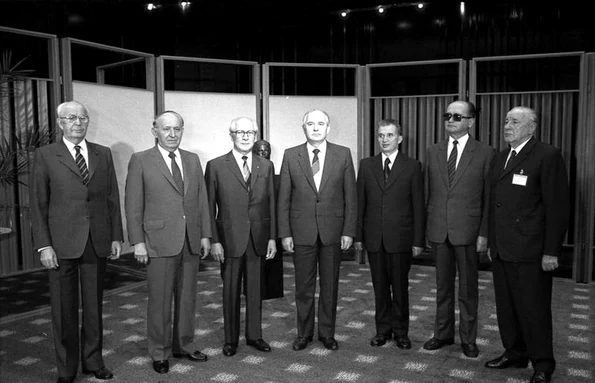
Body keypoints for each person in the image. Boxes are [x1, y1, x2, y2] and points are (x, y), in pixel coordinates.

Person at [31, 101, 123, 383]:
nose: (78, 123)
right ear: (60, 123)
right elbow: (38, 204)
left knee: (94, 306)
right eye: (71, 118)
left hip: (97, 241)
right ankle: (67, 369)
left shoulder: (102, 154)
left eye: (82, 118)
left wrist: (117, 235)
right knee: (63, 310)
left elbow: (111, 198)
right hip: (60, 245)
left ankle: (93, 361)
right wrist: (44, 245)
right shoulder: (46, 155)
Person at [485, 107, 569, 383]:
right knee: (506, 307)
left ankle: (543, 363)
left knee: (534, 308)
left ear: (532, 127)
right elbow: (493, 203)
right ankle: (515, 352)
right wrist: (490, 239)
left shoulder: (547, 155)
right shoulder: (501, 157)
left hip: (532, 250)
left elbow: (557, 207)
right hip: (503, 248)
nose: (507, 125)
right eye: (506, 120)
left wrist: (551, 251)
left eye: (515, 121)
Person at [125, 110, 211, 374]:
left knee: (187, 298)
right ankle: (159, 352)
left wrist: (206, 234)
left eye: (177, 129)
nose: (172, 134)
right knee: (160, 300)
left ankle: (183, 345)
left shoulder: (192, 160)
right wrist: (137, 242)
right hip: (157, 240)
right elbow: (133, 205)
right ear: (155, 131)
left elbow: (201, 200)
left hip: (190, 240)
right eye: (166, 129)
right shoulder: (140, 160)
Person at [277, 109, 357, 351]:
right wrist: (285, 233)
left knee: (330, 286)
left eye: (320, 124)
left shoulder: (343, 154)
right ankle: (303, 334)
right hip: (301, 232)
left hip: (333, 231)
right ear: (304, 128)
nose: (315, 128)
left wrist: (349, 231)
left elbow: (350, 197)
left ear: (328, 128)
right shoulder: (291, 155)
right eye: (310, 124)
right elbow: (284, 199)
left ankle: (327, 333)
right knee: (303, 286)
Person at [423, 100, 496, 358]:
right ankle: (442, 334)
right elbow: (427, 192)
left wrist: (484, 233)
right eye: (447, 115)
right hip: (439, 230)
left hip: (469, 230)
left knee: (468, 289)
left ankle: (468, 338)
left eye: (457, 116)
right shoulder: (432, 151)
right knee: (441, 287)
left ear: (471, 121)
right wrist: (425, 230)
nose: (450, 119)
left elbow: (489, 198)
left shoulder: (486, 153)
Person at [205, 118, 277, 357]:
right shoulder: (215, 166)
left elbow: (272, 205)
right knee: (230, 291)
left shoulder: (266, 166)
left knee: (256, 290)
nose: (246, 136)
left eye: (250, 132)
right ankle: (230, 339)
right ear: (231, 135)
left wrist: (272, 238)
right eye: (240, 132)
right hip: (229, 240)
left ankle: (255, 335)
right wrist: (214, 240)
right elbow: (209, 207)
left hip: (258, 238)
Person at [354, 119, 425, 349]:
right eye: (381, 135)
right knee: (380, 287)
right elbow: (360, 203)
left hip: (401, 238)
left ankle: (401, 332)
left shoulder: (412, 166)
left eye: (390, 135)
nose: (385, 139)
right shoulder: (366, 165)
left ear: (400, 139)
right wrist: (358, 236)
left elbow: (418, 205)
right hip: (374, 238)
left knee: (400, 288)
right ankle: (382, 330)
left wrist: (418, 240)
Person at [253, 139, 285, 300]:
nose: (262, 153)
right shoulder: (247, 177)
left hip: (274, 227)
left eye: (265, 150)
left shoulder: (279, 178)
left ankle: (273, 291)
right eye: (259, 150)